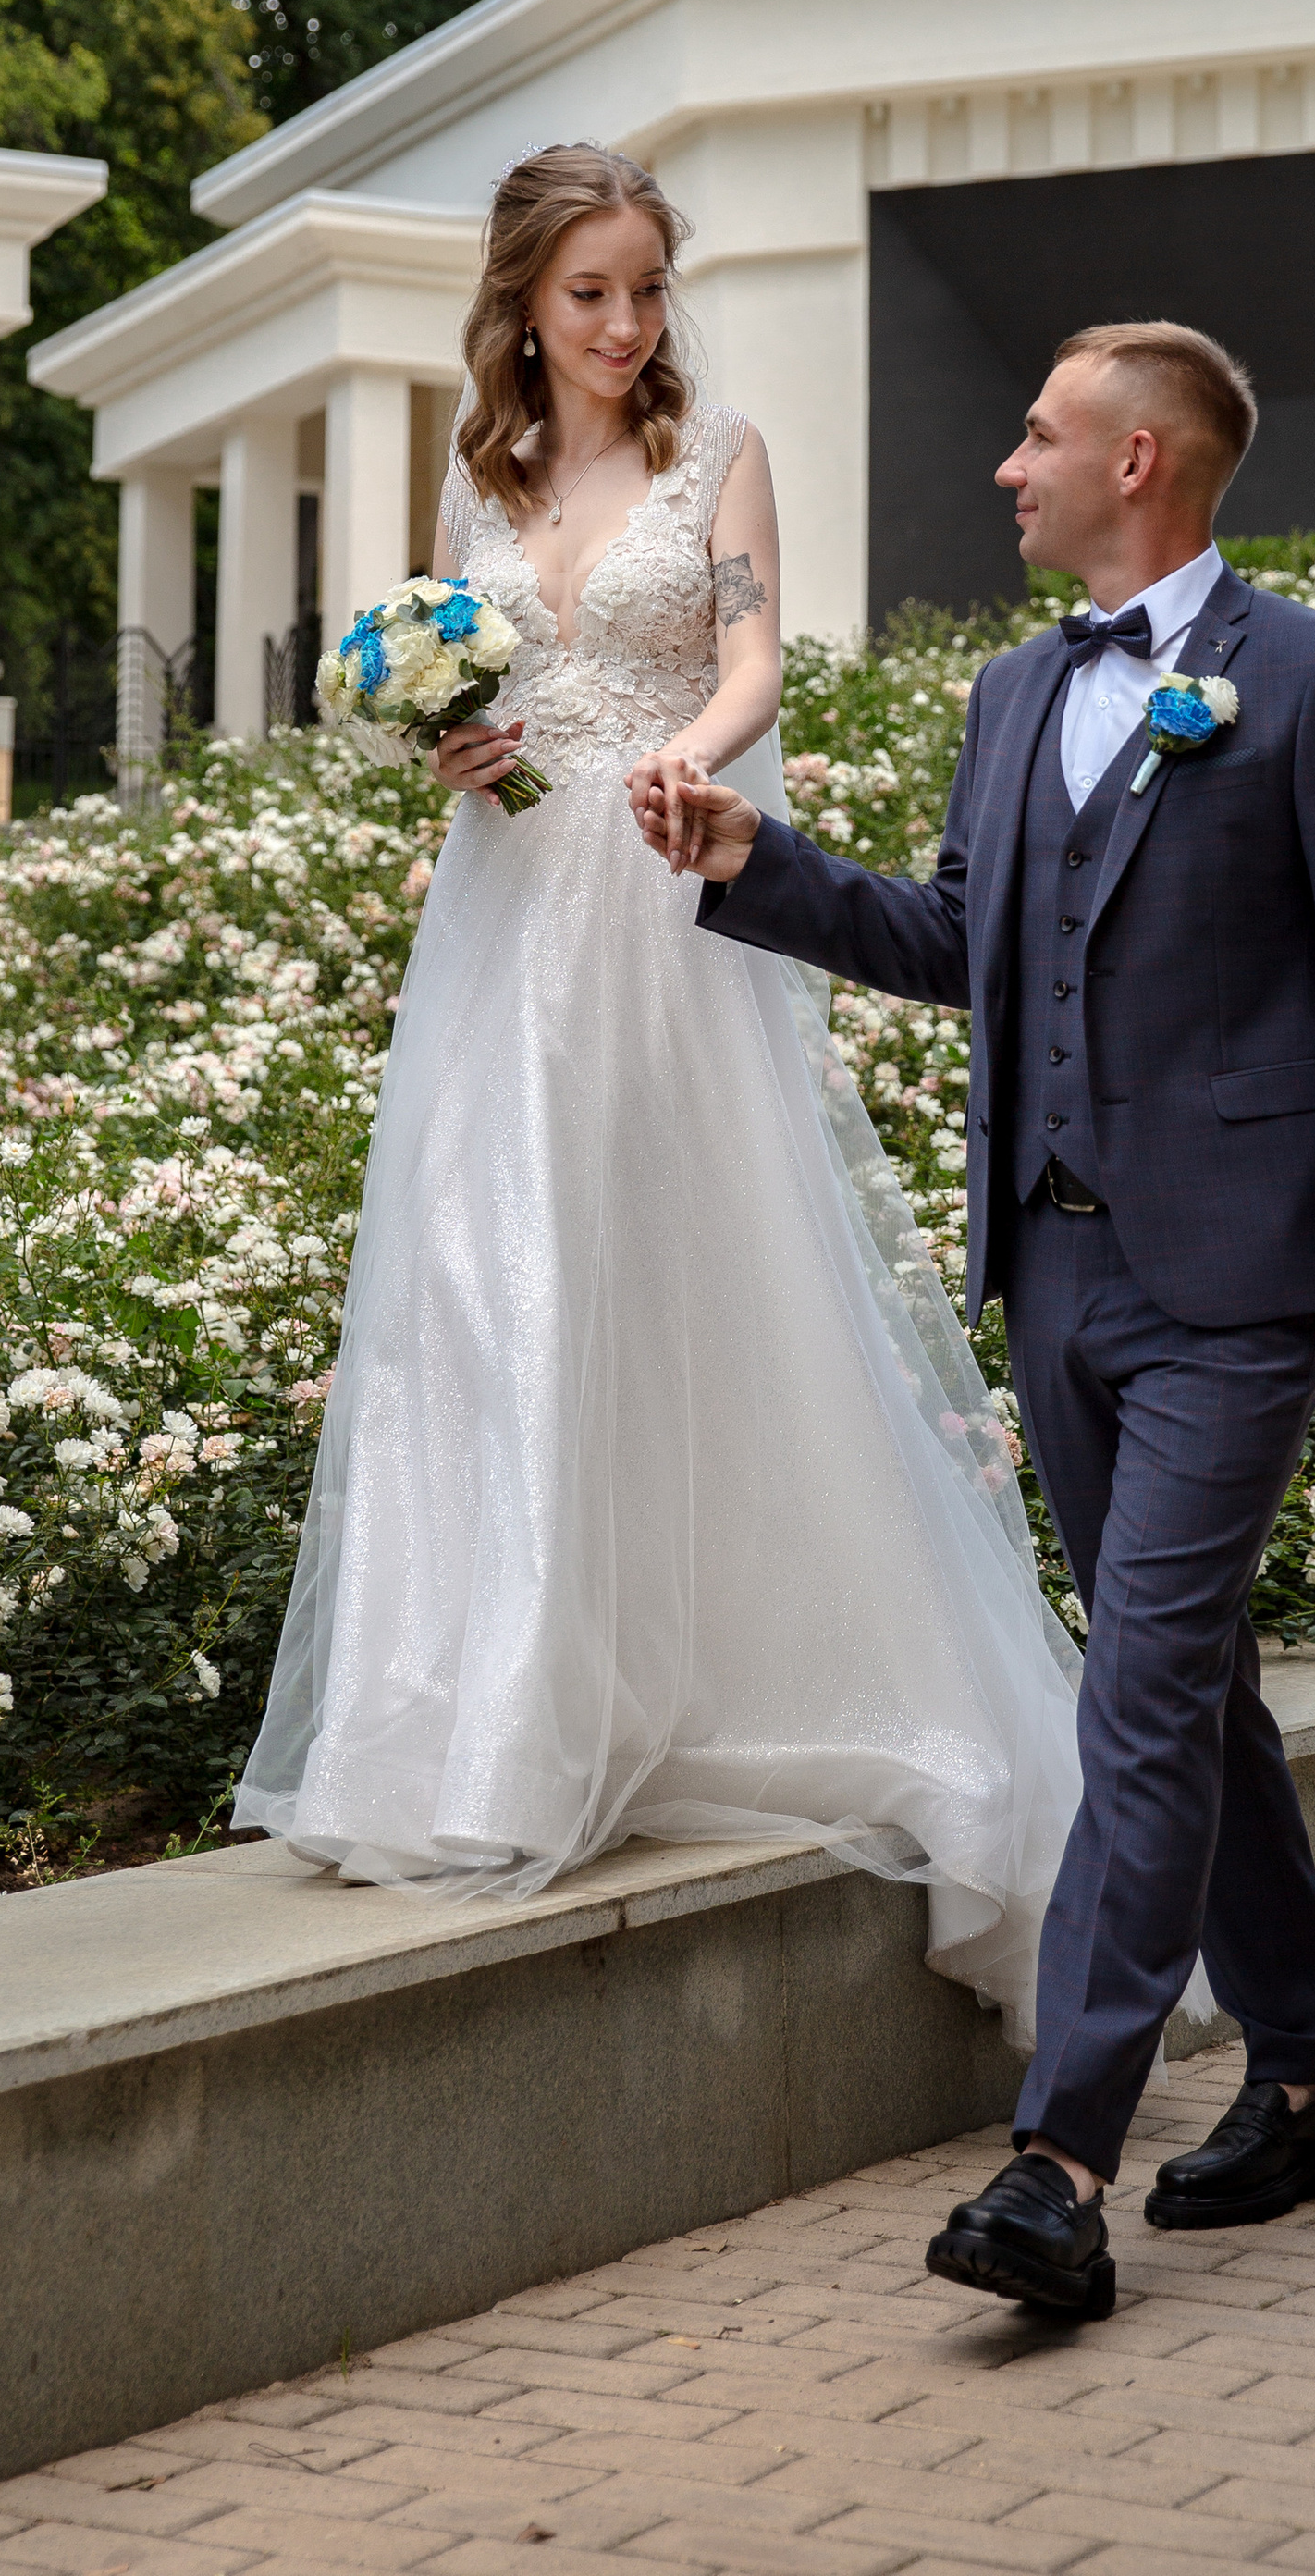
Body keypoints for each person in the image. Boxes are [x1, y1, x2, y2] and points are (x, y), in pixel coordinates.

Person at [635, 320, 1315, 2317]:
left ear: (1145, 457)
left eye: (1038, 435)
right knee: (1184, 1688)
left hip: (1246, 1279)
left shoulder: (1312, 677)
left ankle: (1057, 2158)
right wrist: (760, 863)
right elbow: (956, 942)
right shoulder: (1013, 693)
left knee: (1137, 1694)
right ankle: (1313, 2086)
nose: (1006, 466)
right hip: (1061, 1273)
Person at [234, 143, 1092, 2047]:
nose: (624, 326)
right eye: (588, 296)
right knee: (479, 1289)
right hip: (501, 920)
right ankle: (478, 1725)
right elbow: (472, 683)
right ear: (523, 309)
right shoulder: (477, 477)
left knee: (667, 1278)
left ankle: (717, 1687)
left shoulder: (721, 459)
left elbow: (749, 651)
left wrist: (694, 757)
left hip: (652, 884)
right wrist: (449, 745)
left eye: (642, 289)